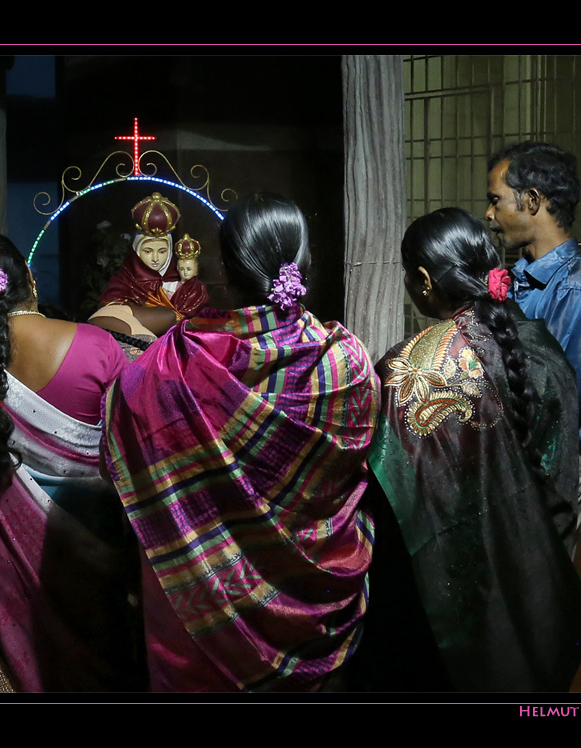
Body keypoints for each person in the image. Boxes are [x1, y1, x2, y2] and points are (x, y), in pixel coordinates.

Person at [101, 192, 380, 692]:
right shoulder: (346, 364)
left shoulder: (170, 368)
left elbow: (123, 437)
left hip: (202, 618)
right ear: (305, 262)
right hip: (319, 605)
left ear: (224, 269)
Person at [366, 208, 581, 691]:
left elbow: (392, 504)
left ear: (423, 280)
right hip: (539, 586)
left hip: (452, 612)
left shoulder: (410, 373)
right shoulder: (542, 346)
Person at [0, 232, 142, 692]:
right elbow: (133, 452)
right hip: (97, 561)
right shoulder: (98, 346)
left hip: (5, 575)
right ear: (32, 282)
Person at [486, 141, 581, 528]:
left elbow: (554, 405)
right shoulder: (525, 276)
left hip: (548, 465)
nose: (489, 214)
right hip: (520, 460)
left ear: (532, 200)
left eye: (496, 200)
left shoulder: (573, 294)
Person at [90, 192, 205, 339]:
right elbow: (106, 319)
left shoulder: (186, 283)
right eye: (148, 251)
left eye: (162, 251)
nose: (156, 258)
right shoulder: (124, 281)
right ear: (137, 251)